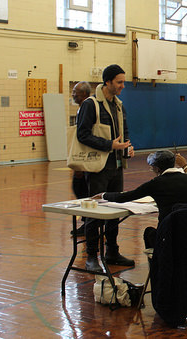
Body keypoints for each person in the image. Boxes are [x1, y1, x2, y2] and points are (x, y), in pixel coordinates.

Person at [77, 64, 134, 272]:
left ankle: (112, 251)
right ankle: (92, 255)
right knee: (96, 212)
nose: (122, 86)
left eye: (123, 81)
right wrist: (109, 145)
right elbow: (82, 135)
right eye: (119, 82)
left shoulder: (119, 105)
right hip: (98, 168)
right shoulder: (90, 105)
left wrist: (127, 146)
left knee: (115, 210)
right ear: (107, 82)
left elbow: (124, 131)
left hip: (116, 166)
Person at [94, 150, 187, 220]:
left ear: (157, 168)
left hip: (167, 228)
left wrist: (104, 195)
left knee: (148, 233)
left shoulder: (156, 183)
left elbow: (125, 197)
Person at [70, 81, 91, 236]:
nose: (73, 94)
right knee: (79, 188)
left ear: (84, 94)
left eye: (75, 92)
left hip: (85, 157)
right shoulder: (80, 109)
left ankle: (89, 222)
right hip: (80, 155)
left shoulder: (87, 108)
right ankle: (87, 221)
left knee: (81, 187)